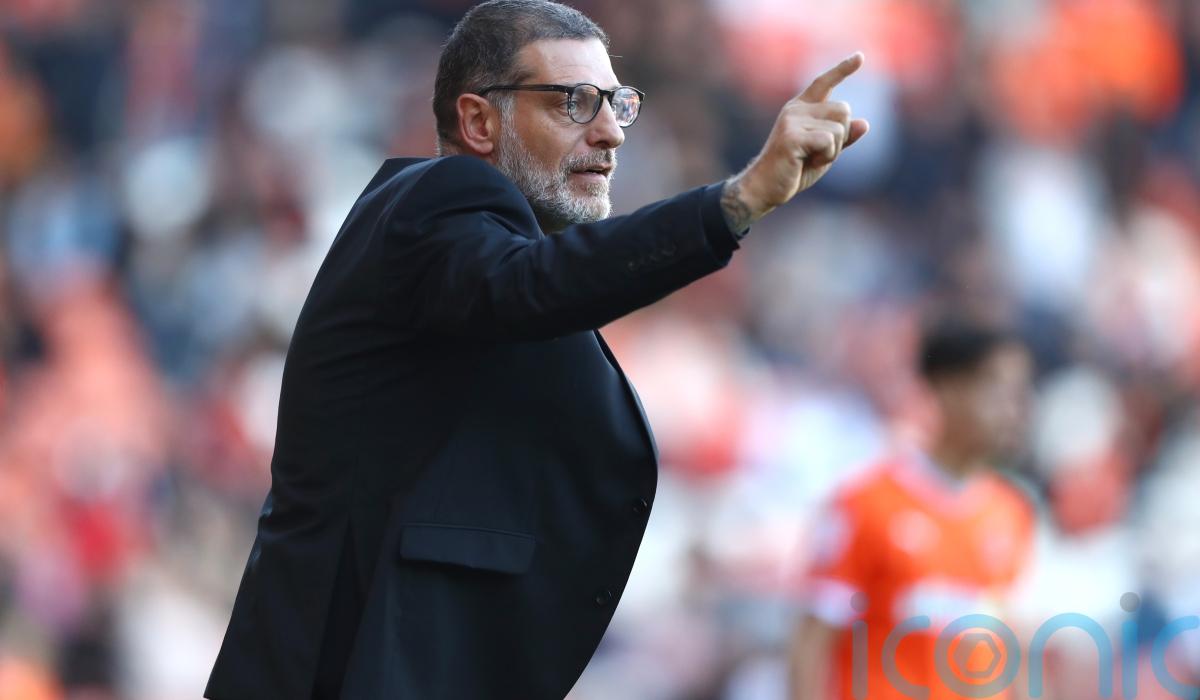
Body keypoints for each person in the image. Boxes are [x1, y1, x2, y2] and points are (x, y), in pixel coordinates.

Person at [205, 0, 869, 698]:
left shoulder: (483, 257)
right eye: (574, 103)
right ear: (478, 122)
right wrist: (737, 201)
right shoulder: (438, 199)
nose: (611, 132)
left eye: (617, 104)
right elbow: (535, 286)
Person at [788, 316, 1037, 700]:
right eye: (997, 390)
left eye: (1020, 394)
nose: (1012, 411)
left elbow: (1008, 638)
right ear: (947, 390)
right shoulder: (865, 504)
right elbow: (812, 640)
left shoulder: (1012, 512)